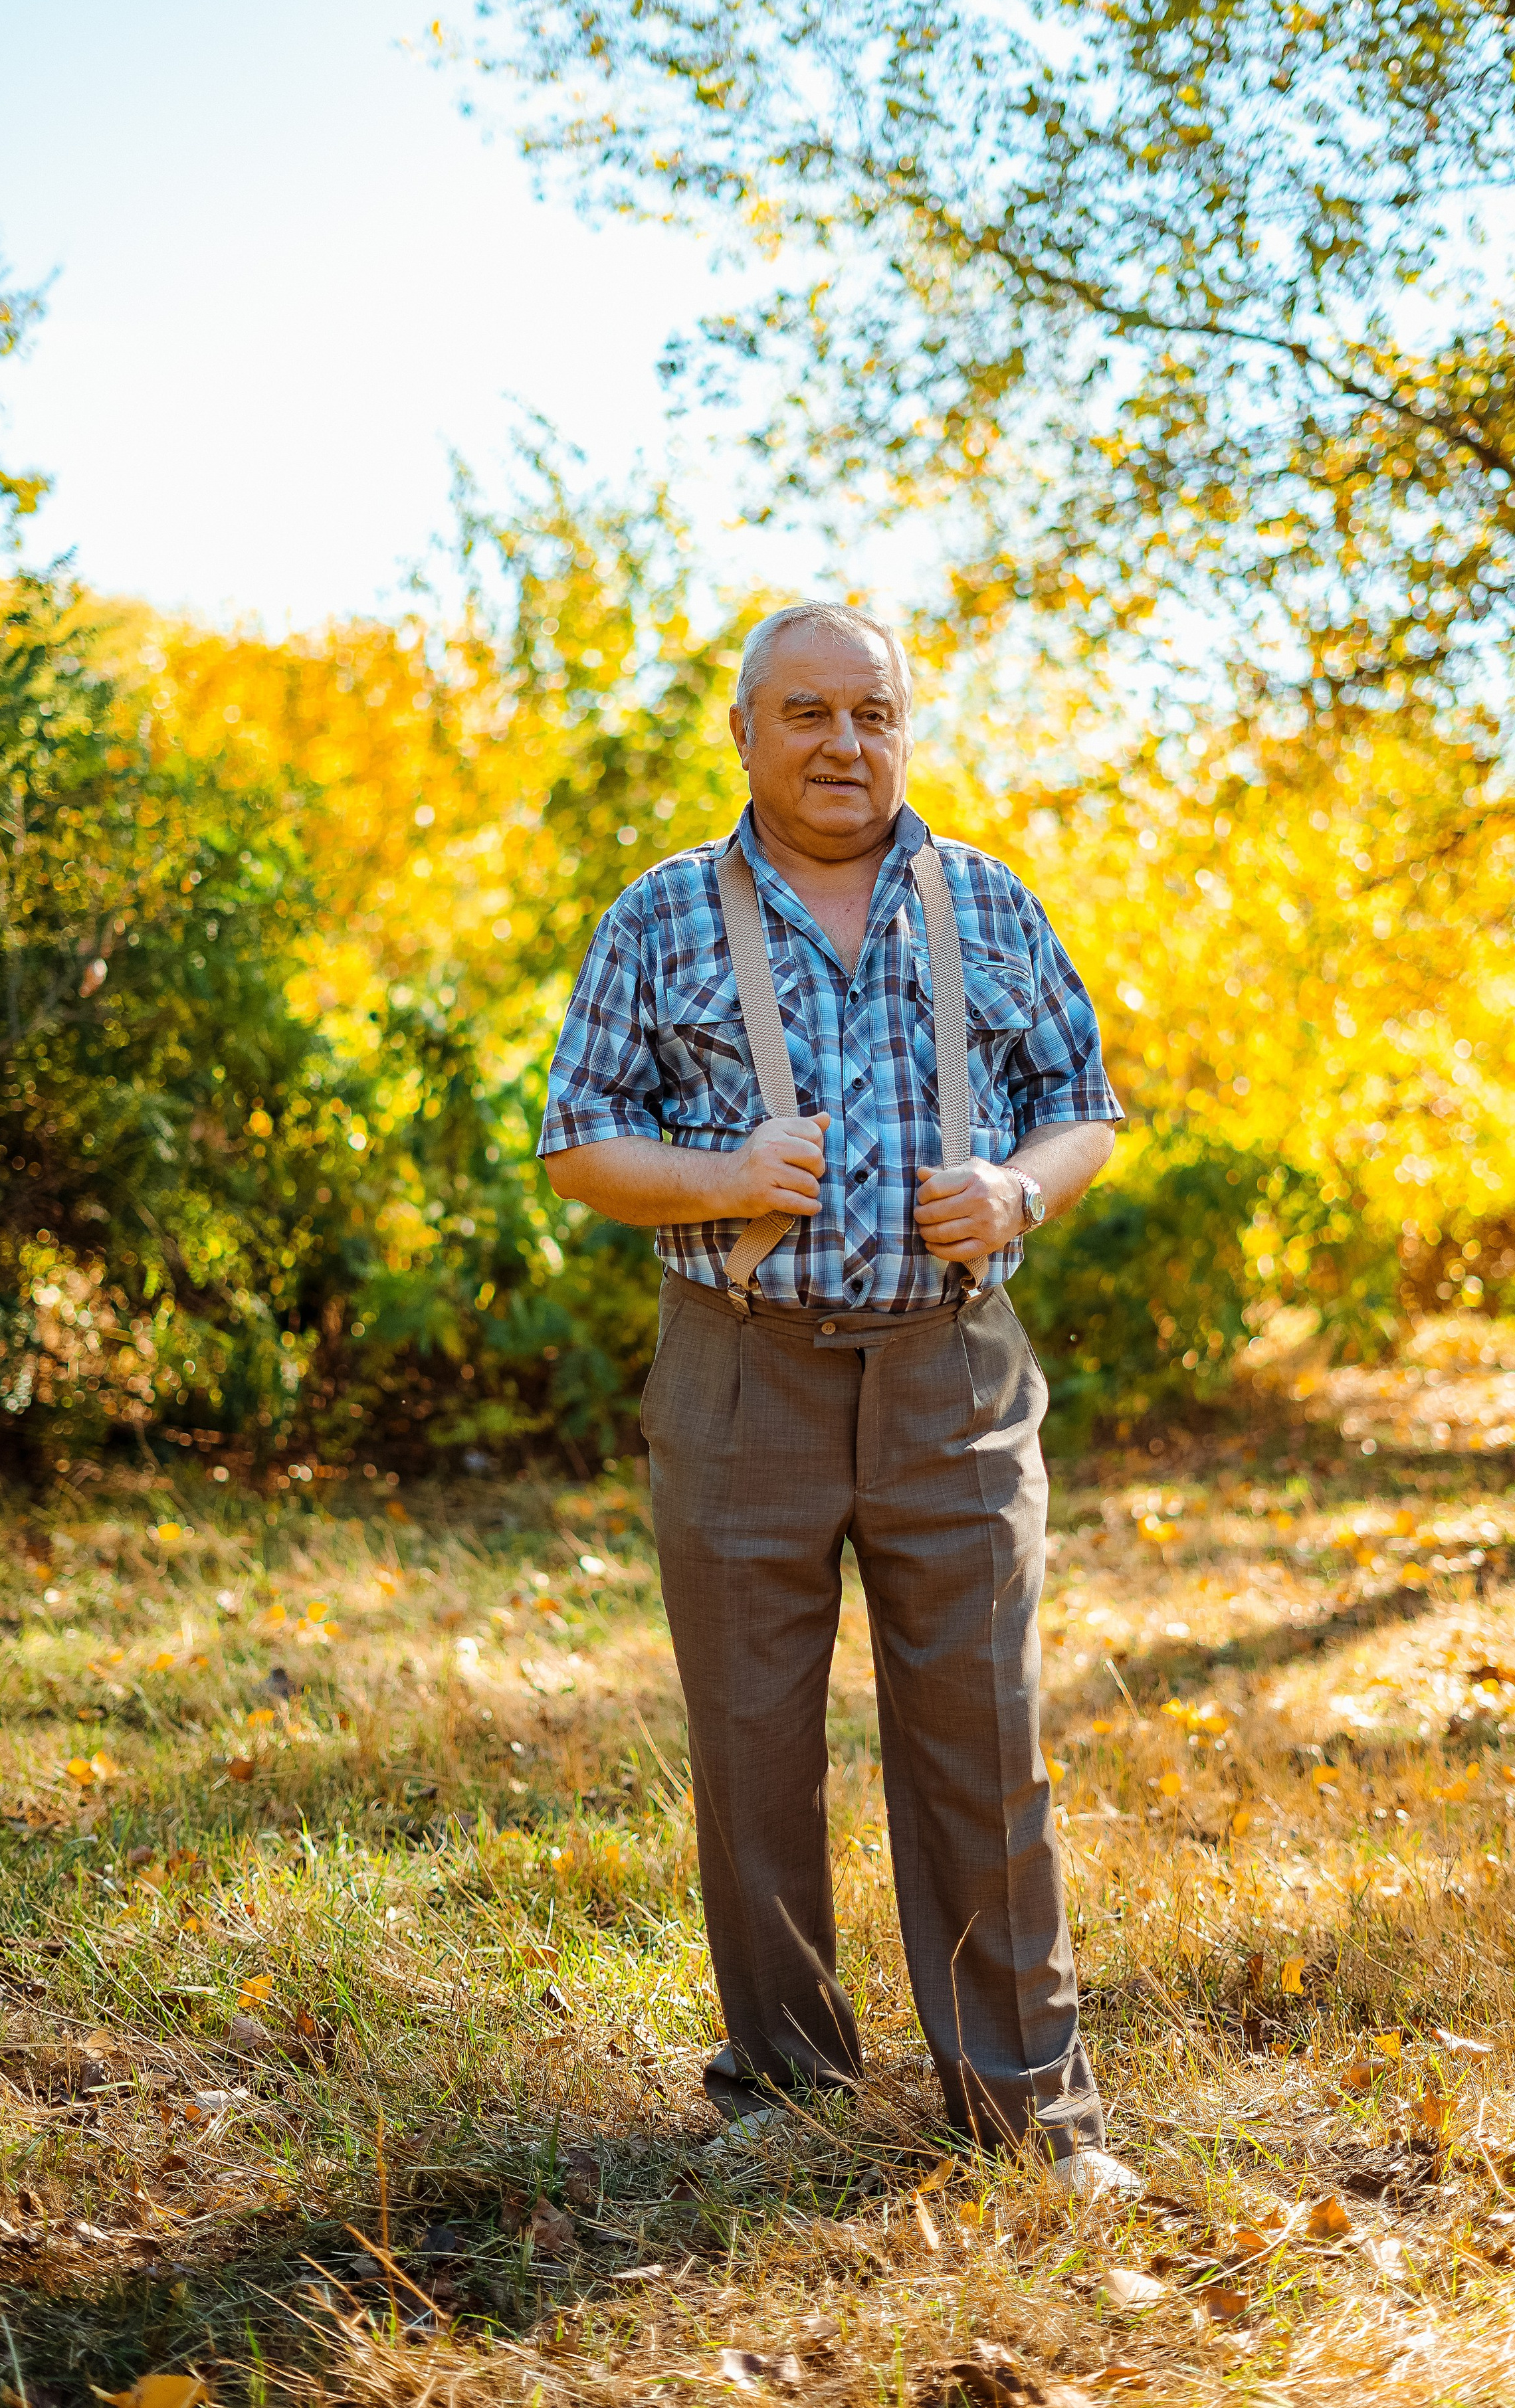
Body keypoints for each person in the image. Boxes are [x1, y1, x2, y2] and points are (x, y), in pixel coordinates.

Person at [538, 601, 1136, 2192]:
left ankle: (1027, 2111)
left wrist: (1014, 1191)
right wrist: (720, 1175)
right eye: (804, 714)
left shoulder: (987, 905)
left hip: (952, 1374)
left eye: (870, 713)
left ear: (902, 729)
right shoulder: (661, 917)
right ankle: (782, 2091)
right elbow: (577, 1142)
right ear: (743, 734)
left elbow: (1083, 1107)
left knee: (982, 1736)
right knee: (751, 1742)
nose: (841, 744)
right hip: (740, 1377)